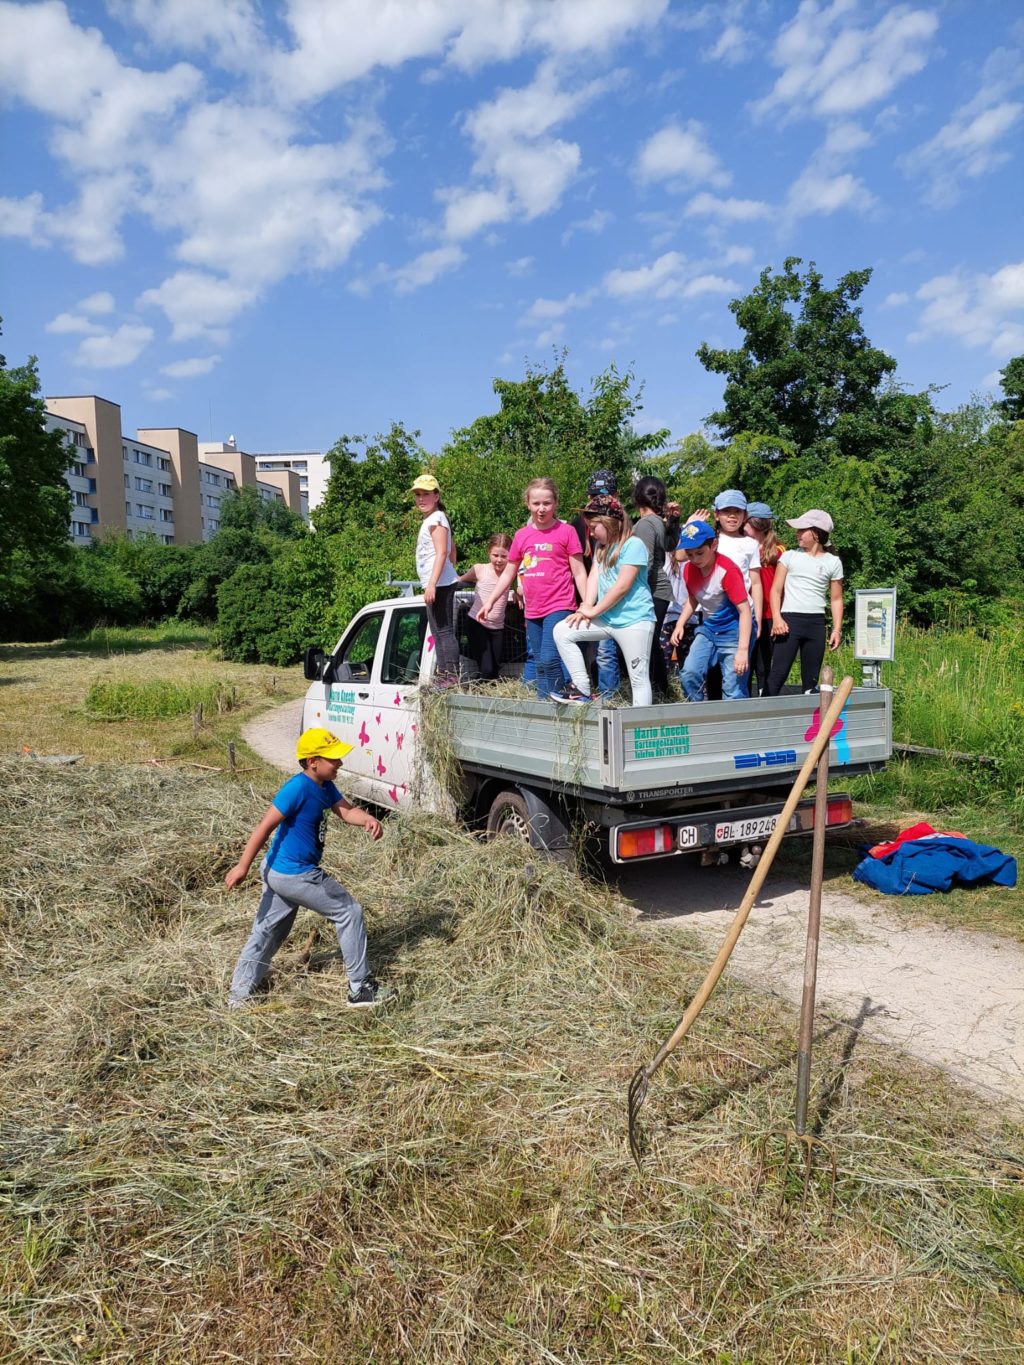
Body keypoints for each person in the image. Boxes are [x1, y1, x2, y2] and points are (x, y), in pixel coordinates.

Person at [226, 728, 384, 1010]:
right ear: (313, 761)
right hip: (295, 874)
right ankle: (360, 989)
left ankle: (238, 998)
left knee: (268, 932)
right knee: (349, 912)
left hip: (278, 873)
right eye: (333, 758)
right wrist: (241, 866)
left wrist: (368, 819)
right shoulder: (297, 788)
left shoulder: (325, 786)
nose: (340, 763)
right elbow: (265, 825)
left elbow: (346, 811)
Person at [478, 477, 588, 700]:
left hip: (560, 605)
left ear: (556, 503)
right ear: (527, 503)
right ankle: (544, 707)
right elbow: (509, 572)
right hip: (533, 608)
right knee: (539, 663)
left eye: (546, 503)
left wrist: (586, 604)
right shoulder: (521, 535)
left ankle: (559, 700)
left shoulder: (566, 532)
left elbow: (578, 571)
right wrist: (489, 601)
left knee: (549, 658)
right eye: (536, 503)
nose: (541, 509)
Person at [552, 494, 656, 706]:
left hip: (635, 621)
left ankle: (638, 729)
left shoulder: (633, 545)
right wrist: (586, 605)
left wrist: (594, 610)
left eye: (593, 526)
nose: (589, 532)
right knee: (562, 631)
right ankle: (581, 689)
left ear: (609, 523)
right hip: (607, 619)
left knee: (638, 679)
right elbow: (594, 577)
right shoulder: (601, 547)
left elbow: (622, 587)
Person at [670, 519, 753, 701]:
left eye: (700, 553)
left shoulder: (727, 571)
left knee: (733, 688)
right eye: (690, 555)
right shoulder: (689, 570)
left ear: (713, 545)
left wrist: (742, 650)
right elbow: (693, 599)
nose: (695, 560)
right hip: (709, 628)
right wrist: (680, 624)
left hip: (735, 630)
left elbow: (745, 611)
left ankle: (735, 725)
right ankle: (698, 716)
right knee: (689, 673)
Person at [765, 510, 844, 695]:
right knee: (777, 675)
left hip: (816, 624)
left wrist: (836, 630)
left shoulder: (833, 562)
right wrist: (777, 618)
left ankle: (810, 722)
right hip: (789, 622)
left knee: (811, 681)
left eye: (802, 530)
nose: (797, 534)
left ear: (816, 533)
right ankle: (761, 719)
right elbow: (776, 591)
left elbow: (836, 599)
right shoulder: (789, 556)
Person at [411, 473, 460, 686]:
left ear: (437, 496)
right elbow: (452, 551)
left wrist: (433, 583)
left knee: (444, 630)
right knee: (438, 630)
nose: (421, 499)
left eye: (426, 494)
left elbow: (442, 553)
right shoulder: (433, 519)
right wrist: (450, 570)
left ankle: (450, 675)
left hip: (438, 583)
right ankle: (444, 674)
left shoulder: (437, 518)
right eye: (418, 495)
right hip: (437, 581)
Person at [458, 533, 512, 680]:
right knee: (486, 668)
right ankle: (480, 693)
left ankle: (487, 694)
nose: (499, 560)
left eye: (504, 556)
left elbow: (523, 582)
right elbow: (459, 581)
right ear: (489, 552)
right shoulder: (480, 569)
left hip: (497, 628)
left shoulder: (511, 572)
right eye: (495, 555)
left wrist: (519, 594)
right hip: (477, 624)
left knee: (495, 669)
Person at [743, 501, 781, 697]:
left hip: (769, 615)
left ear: (755, 523)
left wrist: (778, 616)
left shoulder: (778, 551)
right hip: (746, 613)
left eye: (746, 521)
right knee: (746, 662)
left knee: (765, 664)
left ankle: (764, 701)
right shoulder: (742, 548)